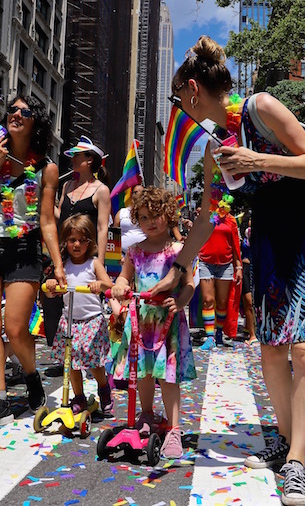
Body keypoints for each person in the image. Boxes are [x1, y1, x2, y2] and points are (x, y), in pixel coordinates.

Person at [149, 36, 305, 505]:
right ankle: (286, 440)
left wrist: (257, 159)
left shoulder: (261, 106)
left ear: (193, 89)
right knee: (272, 350)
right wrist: (180, 267)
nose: (181, 108)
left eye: (179, 98)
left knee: (304, 348)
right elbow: (209, 214)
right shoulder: (214, 145)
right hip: (270, 238)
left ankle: (295, 462)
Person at [0, 95, 66, 432]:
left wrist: (59, 265)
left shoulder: (47, 167)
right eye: (11, 110)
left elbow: (48, 221)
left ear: (36, 120)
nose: (16, 115)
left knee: (17, 328)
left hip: (25, 249)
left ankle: (32, 375)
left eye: (24, 111)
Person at [109, 187, 196, 459]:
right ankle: (146, 413)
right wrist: (120, 287)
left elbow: (190, 284)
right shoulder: (134, 251)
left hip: (167, 322)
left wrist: (181, 301)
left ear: (169, 215)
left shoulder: (178, 250)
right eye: (144, 217)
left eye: (156, 215)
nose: (150, 222)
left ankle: (174, 428)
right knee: (142, 372)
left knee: (168, 378)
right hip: (140, 320)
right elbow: (123, 277)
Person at [42, 137, 112, 367]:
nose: (72, 159)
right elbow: (58, 213)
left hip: (86, 255)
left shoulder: (101, 190)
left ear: (90, 160)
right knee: (54, 301)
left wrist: (98, 262)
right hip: (62, 253)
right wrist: (42, 195)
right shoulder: (67, 186)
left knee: (84, 306)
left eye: (77, 156)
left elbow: (103, 227)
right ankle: (62, 352)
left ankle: (88, 355)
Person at [44, 215, 114, 414]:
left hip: (92, 320)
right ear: (65, 242)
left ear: (89, 242)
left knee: (94, 364)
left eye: (82, 240)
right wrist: (51, 286)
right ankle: (79, 397)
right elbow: (51, 293)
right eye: (72, 240)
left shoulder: (93, 264)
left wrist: (99, 285)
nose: (76, 244)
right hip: (70, 322)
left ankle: (103, 387)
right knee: (71, 364)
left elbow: (109, 285)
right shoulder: (62, 266)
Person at [196, 196, 242, 350]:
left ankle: (219, 333)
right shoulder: (206, 217)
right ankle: (210, 338)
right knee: (208, 300)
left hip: (226, 265)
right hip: (205, 262)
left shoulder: (231, 221)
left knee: (222, 302)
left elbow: (235, 245)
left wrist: (239, 266)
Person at [113, 184, 146, 255]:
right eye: (136, 192)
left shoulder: (149, 214)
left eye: (142, 192)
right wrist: (115, 255)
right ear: (131, 195)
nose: (139, 194)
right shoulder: (122, 212)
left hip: (144, 256)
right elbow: (114, 235)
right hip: (122, 256)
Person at [240, 215, 257, 344]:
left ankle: (253, 329)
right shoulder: (245, 234)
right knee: (248, 302)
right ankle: (252, 334)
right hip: (245, 268)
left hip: (259, 269)